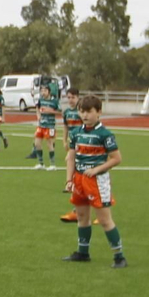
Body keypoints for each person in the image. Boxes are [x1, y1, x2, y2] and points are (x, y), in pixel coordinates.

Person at [61, 94, 128, 269]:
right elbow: (71, 157)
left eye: (89, 111)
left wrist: (96, 170)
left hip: (97, 181)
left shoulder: (105, 134)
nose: (85, 115)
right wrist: (69, 180)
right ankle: (83, 253)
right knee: (82, 217)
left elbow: (116, 158)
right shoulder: (76, 133)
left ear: (99, 112)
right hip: (79, 180)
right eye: (82, 111)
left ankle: (119, 256)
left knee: (104, 220)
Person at [57, 87, 86, 222]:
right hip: (74, 145)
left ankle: (100, 212)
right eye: (68, 97)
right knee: (76, 175)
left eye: (73, 97)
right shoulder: (67, 112)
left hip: (84, 146)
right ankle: (76, 210)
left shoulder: (82, 111)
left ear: (78, 97)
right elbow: (65, 127)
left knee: (88, 179)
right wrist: (64, 140)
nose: (70, 100)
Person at [29, 76, 59, 170]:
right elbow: (37, 108)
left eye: (45, 90)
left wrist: (50, 111)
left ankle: (52, 164)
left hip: (50, 126)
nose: (43, 92)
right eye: (41, 91)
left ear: (49, 91)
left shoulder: (54, 101)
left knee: (49, 144)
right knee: (37, 143)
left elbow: (59, 112)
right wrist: (38, 115)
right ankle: (41, 163)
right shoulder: (41, 100)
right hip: (41, 125)